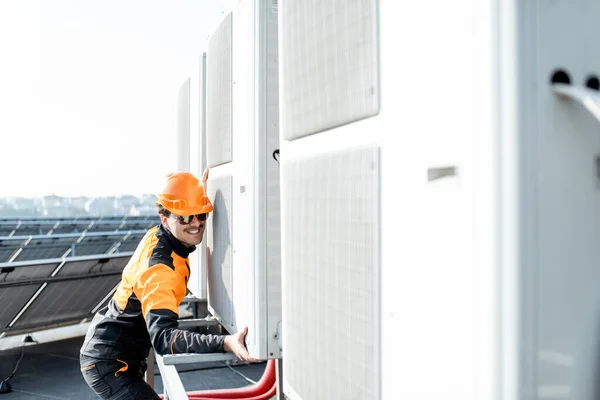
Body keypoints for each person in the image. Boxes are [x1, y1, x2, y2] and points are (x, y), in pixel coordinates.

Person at [80, 169, 255, 399]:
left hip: (120, 353)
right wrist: (224, 342)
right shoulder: (160, 270)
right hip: (110, 363)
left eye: (201, 214)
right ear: (165, 219)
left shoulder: (162, 236)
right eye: (184, 217)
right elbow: (164, 338)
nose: (195, 223)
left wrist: (198, 193)